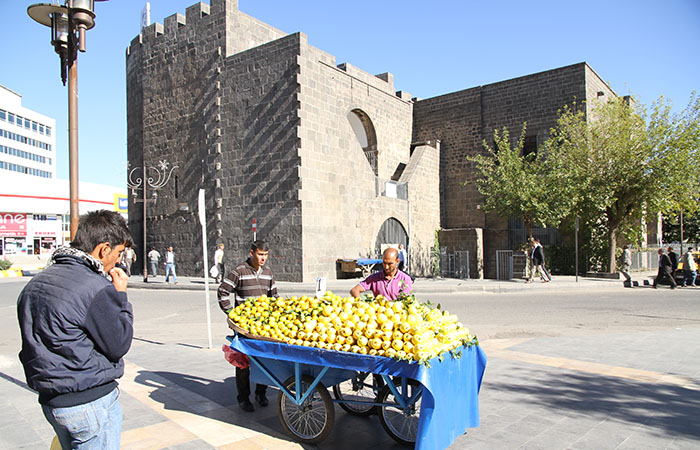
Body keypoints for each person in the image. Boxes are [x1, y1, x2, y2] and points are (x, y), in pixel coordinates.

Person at [17, 210, 133, 450]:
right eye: (119, 253)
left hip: (53, 401)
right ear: (104, 249)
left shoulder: (36, 283)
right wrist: (120, 295)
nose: (119, 261)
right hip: (90, 402)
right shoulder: (95, 287)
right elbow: (119, 344)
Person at [218, 240, 278, 412]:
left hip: (264, 326)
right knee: (243, 363)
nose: (263, 258)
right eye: (260, 254)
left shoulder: (268, 273)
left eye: (265, 255)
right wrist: (231, 313)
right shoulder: (239, 271)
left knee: (264, 361)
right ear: (252, 253)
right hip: (244, 327)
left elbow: (274, 296)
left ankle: (261, 392)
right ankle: (243, 398)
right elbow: (223, 291)